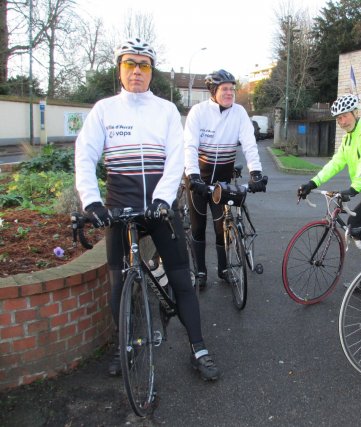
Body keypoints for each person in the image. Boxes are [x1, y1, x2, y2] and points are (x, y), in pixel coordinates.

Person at [74, 37, 219, 381]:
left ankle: (199, 349)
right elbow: (85, 154)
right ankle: (124, 346)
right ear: (120, 69)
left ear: (151, 72)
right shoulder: (104, 110)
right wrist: (92, 201)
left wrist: (163, 199)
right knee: (118, 283)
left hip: (158, 210)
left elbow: (175, 158)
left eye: (144, 65)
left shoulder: (166, 110)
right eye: (130, 64)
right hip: (120, 210)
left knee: (182, 280)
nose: (136, 71)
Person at [297, 94, 361, 276]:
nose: (342, 122)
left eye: (344, 116)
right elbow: (335, 163)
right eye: (338, 118)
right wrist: (313, 182)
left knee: (355, 223)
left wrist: (353, 189)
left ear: (355, 112)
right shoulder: (347, 139)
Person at [183, 69, 266, 289]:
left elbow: (249, 143)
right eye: (225, 89)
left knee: (222, 227)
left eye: (232, 89)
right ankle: (200, 272)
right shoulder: (198, 112)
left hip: (222, 179)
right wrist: (192, 175)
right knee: (198, 227)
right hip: (199, 178)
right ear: (213, 91)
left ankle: (224, 270)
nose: (230, 93)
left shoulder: (239, 113)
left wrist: (256, 172)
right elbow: (189, 145)